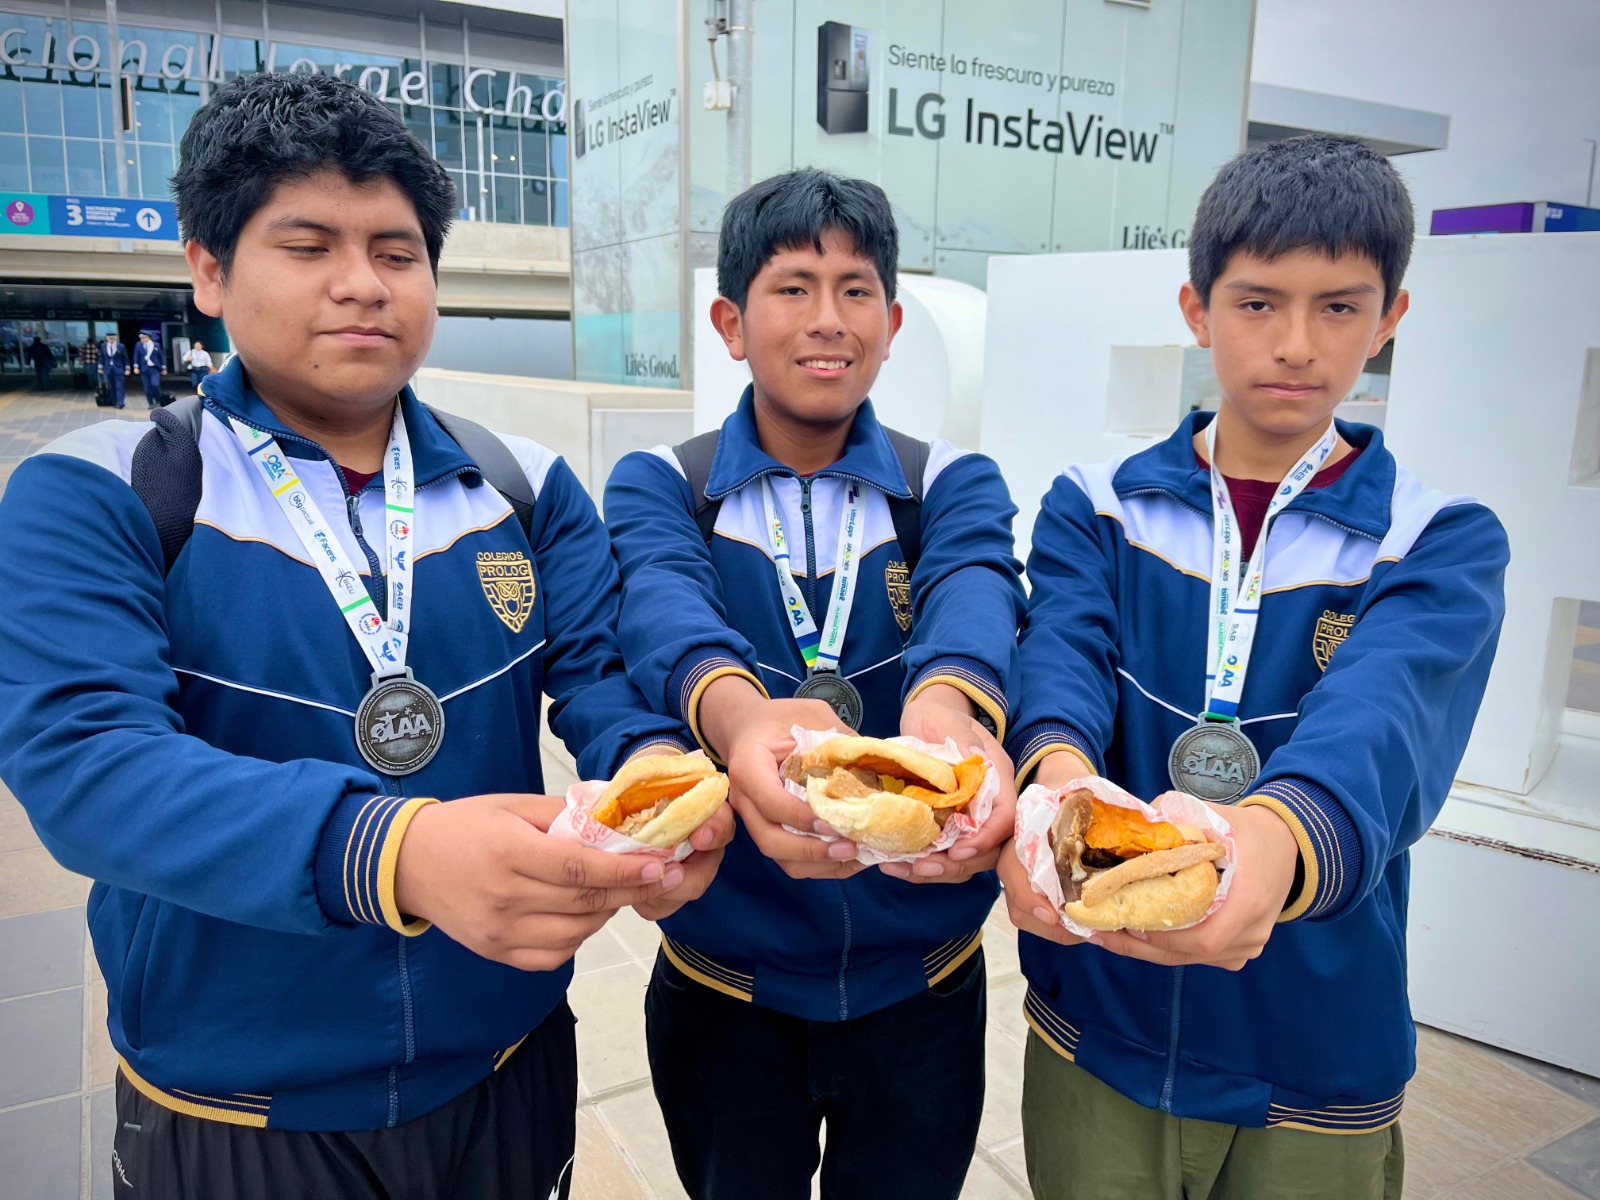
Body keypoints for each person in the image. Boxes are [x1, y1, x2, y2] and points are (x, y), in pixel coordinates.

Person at [0, 71, 731, 1200]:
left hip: (507, 1061)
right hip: (240, 1102)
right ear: (208, 268)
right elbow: (88, 764)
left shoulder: (520, 488)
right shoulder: (105, 491)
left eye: (396, 252)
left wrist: (656, 786)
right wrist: (392, 851)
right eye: (308, 246)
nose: (362, 286)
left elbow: (601, 676)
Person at [998, 134, 1509, 1200]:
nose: (1296, 343)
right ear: (1196, 310)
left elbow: (1376, 730)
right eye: (1257, 303)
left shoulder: (1435, 539)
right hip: (1100, 1020)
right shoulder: (1098, 506)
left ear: (1389, 320)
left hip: (1315, 1051)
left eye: (1338, 307)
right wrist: (1053, 789)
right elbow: (1062, 660)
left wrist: (1269, 850)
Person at [604, 168, 1027, 1199]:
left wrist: (948, 706)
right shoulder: (663, 481)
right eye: (792, 287)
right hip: (725, 987)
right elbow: (662, 605)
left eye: (854, 289)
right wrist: (741, 720)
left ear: (889, 321)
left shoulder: (948, 482)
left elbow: (975, 587)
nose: (826, 320)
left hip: (920, 987)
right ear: (731, 321)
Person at [96, 331, 129, 408]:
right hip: (108, 369)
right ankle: (114, 401)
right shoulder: (103, 346)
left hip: (118, 369)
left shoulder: (121, 346)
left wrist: (127, 368)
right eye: (110, 339)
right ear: (107, 339)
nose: (111, 340)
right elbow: (101, 357)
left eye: (113, 338)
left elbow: (125, 358)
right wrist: (100, 368)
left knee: (119, 386)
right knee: (111, 386)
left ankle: (120, 402)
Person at [135, 331, 164, 407]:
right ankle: (150, 402)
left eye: (143, 337)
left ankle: (157, 400)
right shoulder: (139, 345)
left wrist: (163, 367)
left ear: (148, 337)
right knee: (147, 387)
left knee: (155, 384)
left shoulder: (156, 345)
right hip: (144, 368)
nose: (141, 339)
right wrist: (136, 367)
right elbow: (136, 356)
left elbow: (161, 356)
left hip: (154, 368)